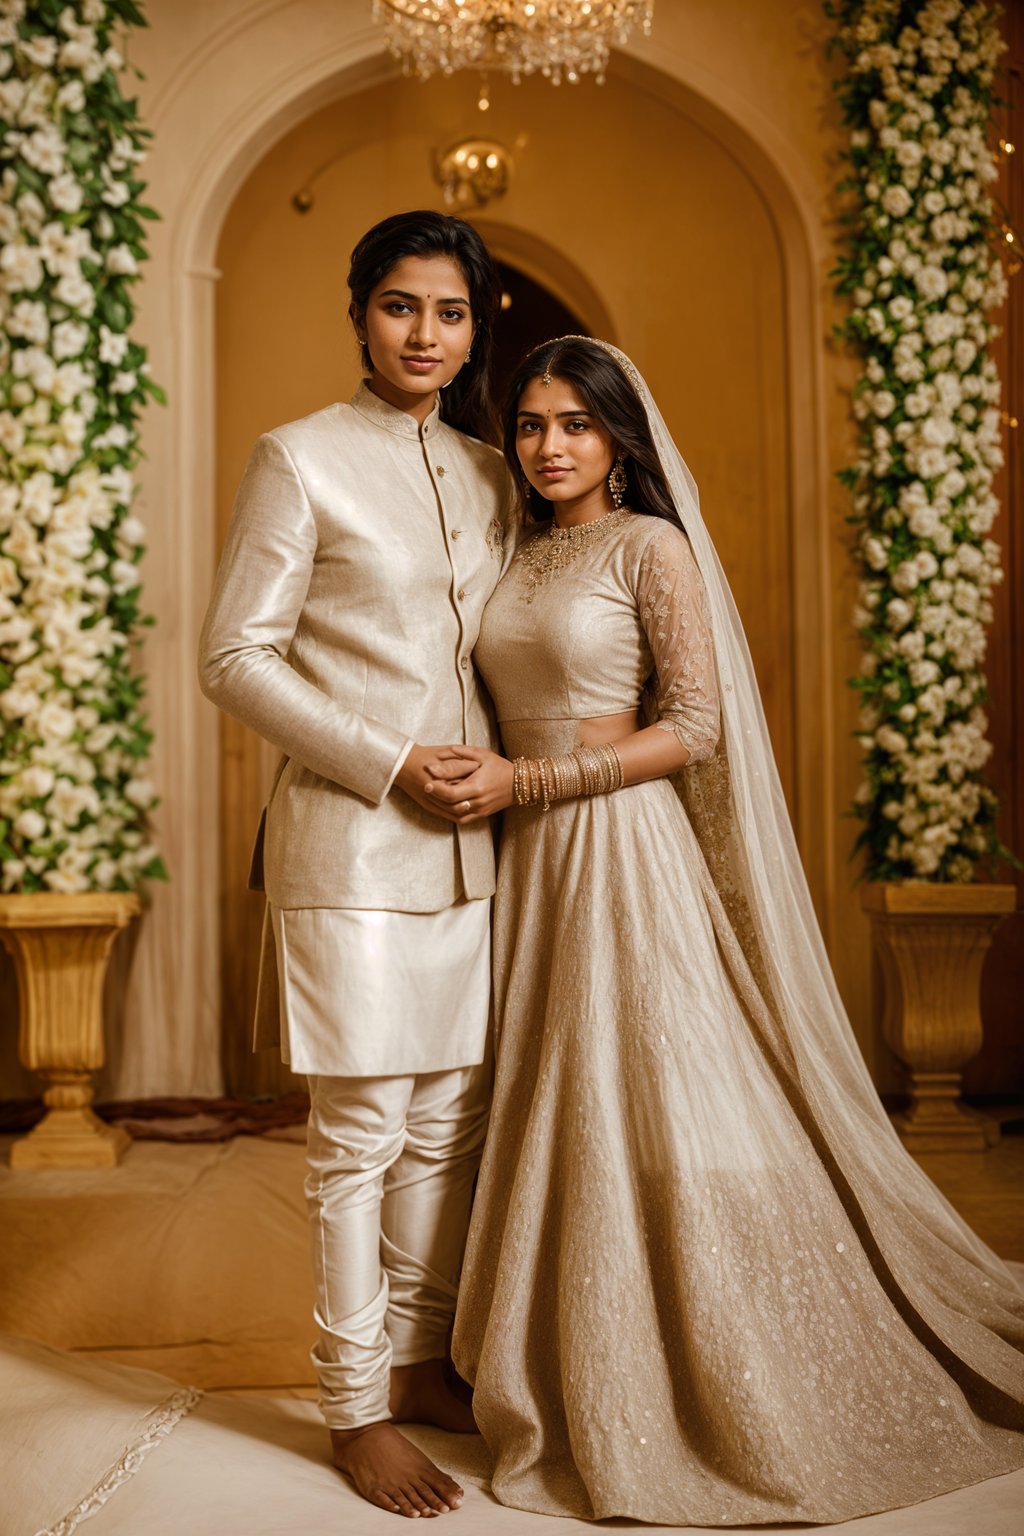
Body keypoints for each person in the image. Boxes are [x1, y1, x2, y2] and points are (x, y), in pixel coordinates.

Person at [421, 337, 1024, 1525]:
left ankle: (697, 1360)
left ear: (618, 439)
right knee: (551, 1094)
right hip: (524, 855)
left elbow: (690, 725)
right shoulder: (520, 550)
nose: (549, 447)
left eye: (575, 427)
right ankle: (553, 1356)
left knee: (638, 1090)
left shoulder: (652, 549)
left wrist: (532, 785)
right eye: (532, 425)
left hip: (609, 846)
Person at [198, 210, 517, 1520]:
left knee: (449, 1127)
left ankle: (428, 1362)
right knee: (364, 1134)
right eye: (399, 307)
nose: (424, 335)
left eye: (448, 312)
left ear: (473, 324)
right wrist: (388, 761)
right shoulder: (301, 458)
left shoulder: (498, 470)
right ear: (360, 312)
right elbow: (235, 658)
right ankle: (354, 1407)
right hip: (351, 844)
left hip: (477, 858)